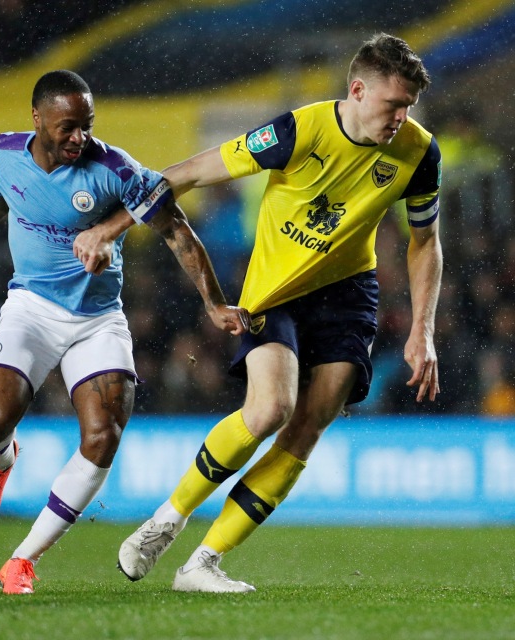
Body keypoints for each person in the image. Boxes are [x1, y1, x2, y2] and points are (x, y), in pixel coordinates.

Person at [74, 33, 443, 593]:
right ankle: (164, 522)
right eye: (393, 104)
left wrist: (423, 329)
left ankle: (203, 564)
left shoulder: (419, 151)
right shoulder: (299, 130)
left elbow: (425, 241)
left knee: (306, 428)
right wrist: (110, 226)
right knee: (269, 408)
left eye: (408, 107)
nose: (401, 118)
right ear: (359, 89)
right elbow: (189, 173)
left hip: (348, 295)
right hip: (275, 289)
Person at [0, 69, 249, 595]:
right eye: (67, 127)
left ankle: (21, 560)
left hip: (98, 320)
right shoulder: (3, 154)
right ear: (37, 119)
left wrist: (213, 303)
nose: (79, 138)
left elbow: (175, 230)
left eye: (86, 127)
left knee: (103, 434)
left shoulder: (114, 169)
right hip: (30, 310)